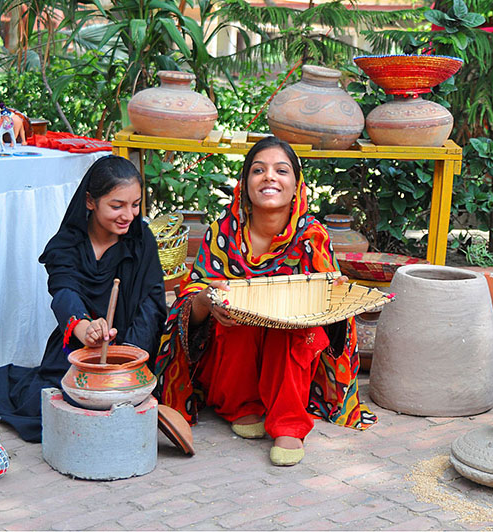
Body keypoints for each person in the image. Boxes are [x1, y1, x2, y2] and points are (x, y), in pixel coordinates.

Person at [154, 136, 376, 467]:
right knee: (238, 314)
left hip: (289, 351)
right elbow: (188, 302)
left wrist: (333, 296)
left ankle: (289, 422)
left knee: (295, 328)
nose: (269, 177)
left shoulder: (312, 238)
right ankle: (241, 406)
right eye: (259, 170)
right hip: (230, 354)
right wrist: (207, 301)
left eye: (281, 170)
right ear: (244, 184)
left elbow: (331, 323)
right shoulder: (222, 234)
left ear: (296, 185)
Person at [0, 156, 167, 442]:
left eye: (134, 204)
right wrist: (84, 328)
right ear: (91, 201)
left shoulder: (142, 240)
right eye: (116, 205)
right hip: (77, 346)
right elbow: (64, 291)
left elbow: (152, 303)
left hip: (132, 345)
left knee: (122, 398)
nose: (128, 215)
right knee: (48, 406)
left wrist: (128, 357)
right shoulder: (65, 245)